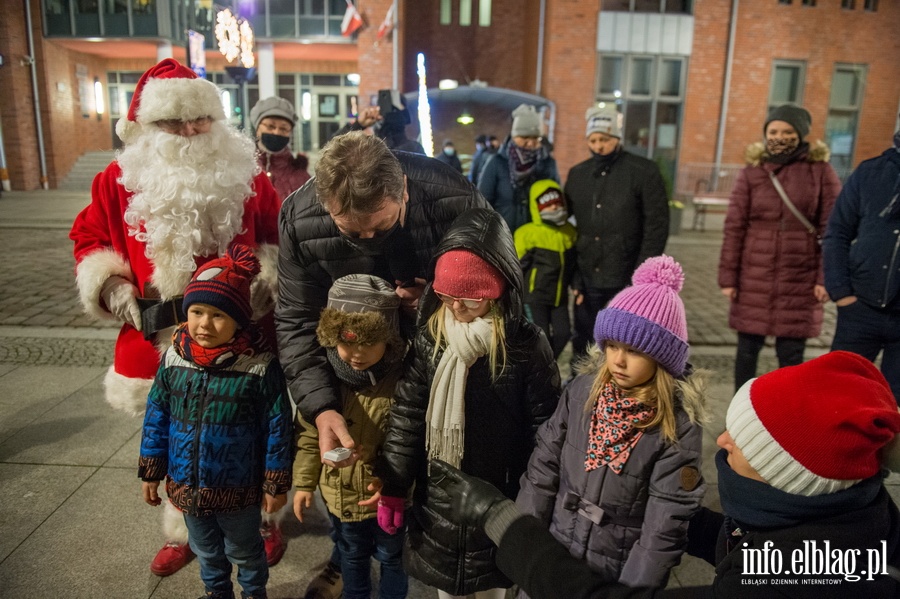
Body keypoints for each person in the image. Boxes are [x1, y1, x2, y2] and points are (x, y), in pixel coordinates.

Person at [433, 350, 900, 598]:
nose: (722, 440)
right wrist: (648, 514)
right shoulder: (861, 532)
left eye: (744, 440)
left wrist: (500, 518)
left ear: (787, 475)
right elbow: (740, 542)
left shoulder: (769, 588)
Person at [69, 58, 283, 576]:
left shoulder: (248, 176)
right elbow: (89, 239)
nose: (189, 132)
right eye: (173, 123)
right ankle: (187, 527)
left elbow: (279, 234)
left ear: (216, 120)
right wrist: (115, 288)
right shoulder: (115, 181)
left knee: (252, 431)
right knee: (180, 438)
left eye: (200, 120)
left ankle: (260, 522)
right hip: (160, 338)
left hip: (243, 338)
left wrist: (268, 276)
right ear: (144, 127)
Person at [372, 208, 562, 599]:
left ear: (498, 291)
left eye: (470, 300)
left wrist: (539, 498)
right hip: (441, 496)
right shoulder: (431, 337)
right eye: (445, 296)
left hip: (500, 494)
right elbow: (408, 414)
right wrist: (394, 483)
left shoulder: (525, 345)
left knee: (493, 588)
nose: (455, 308)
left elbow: (545, 427)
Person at [277, 130, 487, 469]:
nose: (369, 240)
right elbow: (296, 318)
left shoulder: (455, 200)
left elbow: (497, 293)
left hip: (440, 370)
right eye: (352, 232)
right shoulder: (299, 219)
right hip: (354, 371)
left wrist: (437, 301)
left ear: (403, 189)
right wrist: (321, 406)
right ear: (326, 207)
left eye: (382, 225)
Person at [516, 255, 707, 590]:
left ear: (661, 359)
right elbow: (543, 468)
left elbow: (664, 526)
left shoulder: (676, 425)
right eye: (612, 345)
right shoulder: (581, 392)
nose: (618, 360)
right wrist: (525, 542)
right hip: (555, 551)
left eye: (633, 351)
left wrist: (633, 590)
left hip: (614, 570)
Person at [138, 245, 293, 599]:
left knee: (246, 552)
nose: (204, 324)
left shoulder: (257, 368)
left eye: (218, 316)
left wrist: (275, 482)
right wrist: (151, 469)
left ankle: (254, 593)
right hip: (187, 486)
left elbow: (278, 430)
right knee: (206, 551)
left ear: (239, 320)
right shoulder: (174, 360)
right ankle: (216, 593)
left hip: (238, 491)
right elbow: (157, 416)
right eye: (197, 311)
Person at [293, 274, 409, 599]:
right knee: (351, 557)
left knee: (393, 559)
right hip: (340, 500)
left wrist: (396, 483)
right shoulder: (323, 381)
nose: (357, 353)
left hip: (387, 501)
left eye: (369, 341)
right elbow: (307, 434)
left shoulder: (402, 382)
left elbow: (412, 442)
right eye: (347, 341)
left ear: (389, 339)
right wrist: (303, 483)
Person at [718, 104, 841, 391]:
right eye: (773, 131)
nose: (780, 137)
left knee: (791, 355)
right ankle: (740, 415)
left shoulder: (820, 172)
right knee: (747, 351)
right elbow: (734, 226)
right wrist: (728, 277)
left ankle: (787, 416)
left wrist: (826, 278)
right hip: (754, 275)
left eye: (787, 131)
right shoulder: (752, 173)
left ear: (801, 135)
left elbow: (832, 228)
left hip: (800, 277)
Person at [565, 105, 669, 367]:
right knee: (584, 337)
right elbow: (570, 228)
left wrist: (642, 277)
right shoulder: (578, 174)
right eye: (594, 140)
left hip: (626, 273)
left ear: (617, 139)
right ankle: (582, 387)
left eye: (605, 139)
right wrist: (575, 277)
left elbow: (655, 225)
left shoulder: (643, 171)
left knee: (622, 339)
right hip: (588, 274)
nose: (599, 146)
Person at [823, 124, 900, 401]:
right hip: (861, 309)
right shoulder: (871, 173)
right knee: (838, 394)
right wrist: (841, 292)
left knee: (895, 405)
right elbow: (837, 233)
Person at [513, 179, 577, 358]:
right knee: (542, 338)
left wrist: (577, 285)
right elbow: (517, 267)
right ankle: (539, 373)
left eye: (558, 204)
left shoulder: (569, 232)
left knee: (564, 334)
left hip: (559, 298)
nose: (555, 209)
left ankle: (545, 365)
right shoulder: (527, 234)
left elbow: (573, 264)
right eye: (549, 205)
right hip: (534, 297)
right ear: (537, 207)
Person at [478, 104, 559, 232]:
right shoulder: (497, 163)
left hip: (536, 239)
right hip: (503, 237)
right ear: (514, 136)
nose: (531, 143)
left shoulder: (547, 163)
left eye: (535, 137)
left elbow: (555, 198)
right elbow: (483, 202)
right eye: (525, 137)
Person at [249, 96, 311, 201]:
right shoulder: (244, 169)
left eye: (283, 128)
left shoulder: (301, 178)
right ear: (257, 127)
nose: (276, 132)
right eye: (270, 126)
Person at [335, 89, 425, 154]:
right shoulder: (368, 149)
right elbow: (331, 149)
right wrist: (358, 124)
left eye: (393, 110)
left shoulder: (413, 149)